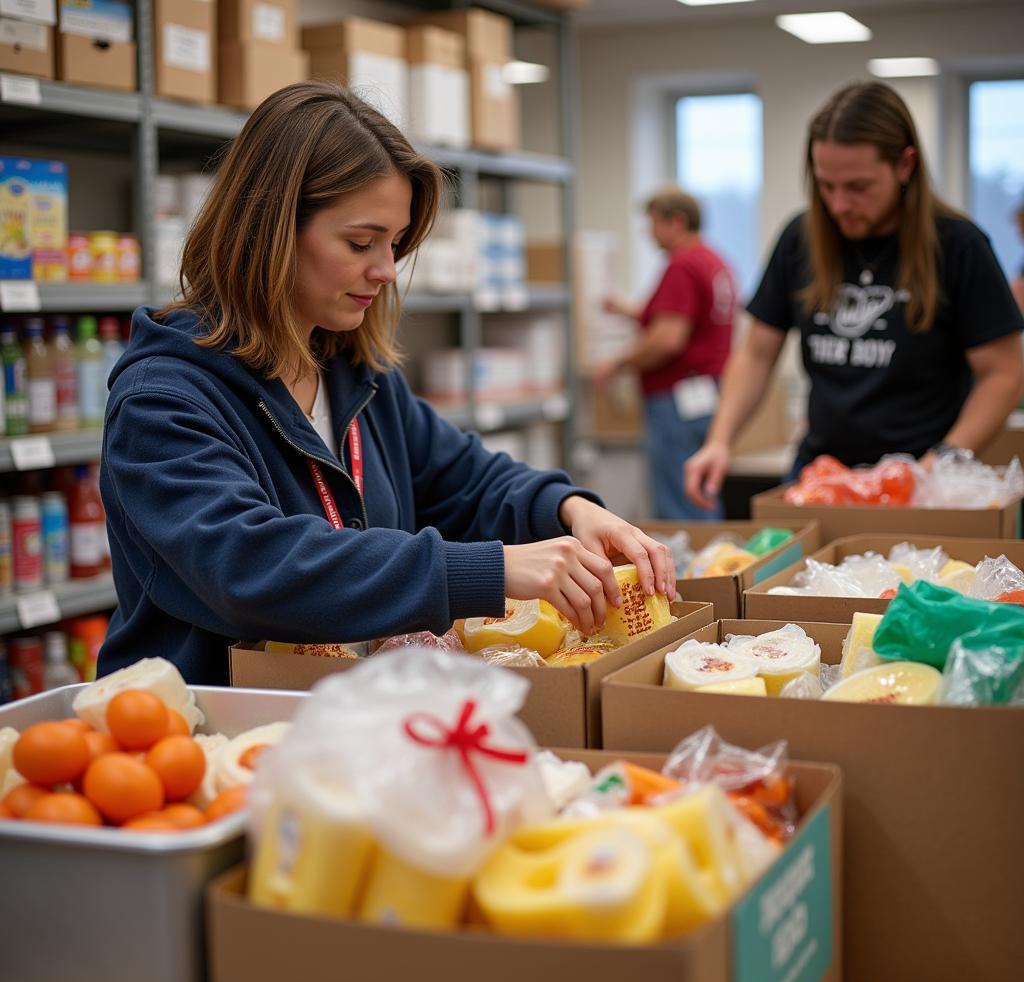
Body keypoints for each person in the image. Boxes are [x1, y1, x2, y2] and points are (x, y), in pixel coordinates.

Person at [97, 82, 674, 683]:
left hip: (343, 717)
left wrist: (568, 508)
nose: (385, 271)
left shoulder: (354, 375)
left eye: (394, 244)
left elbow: (467, 481)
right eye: (360, 242)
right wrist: (488, 570)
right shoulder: (163, 401)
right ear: (269, 230)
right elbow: (252, 567)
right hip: (202, 732)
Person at [685, 81, 1024, 509]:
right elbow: (757, 353)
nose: (840, 204)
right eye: (827, 186)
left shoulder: (958, 246)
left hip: (918, 483)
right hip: (821, 475)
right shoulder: (800, 238)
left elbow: (1003, 373)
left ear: (905, 165)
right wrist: (720, 440)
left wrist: (938, 463)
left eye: (859, 187)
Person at [597, 187, 736, 519]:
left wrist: (617, 363)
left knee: (680, 499)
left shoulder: (682, 265)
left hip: (676, 400)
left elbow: (668, 339)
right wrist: (630, 311)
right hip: (704, 393)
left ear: (677, 222)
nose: (649, 232)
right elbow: (683, 320)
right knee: (700, 489)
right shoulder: (712, 260)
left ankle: (691, 570)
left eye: (654, 223)